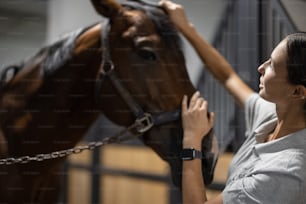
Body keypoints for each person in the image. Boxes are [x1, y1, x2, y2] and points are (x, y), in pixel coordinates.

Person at [159, 0, 306, 203]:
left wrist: (191, 139)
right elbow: (228, 77)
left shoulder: (287, 172)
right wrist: (186, 28)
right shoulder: (272, 115)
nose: (261, 67)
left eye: (272, 65)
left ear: (297, 92)